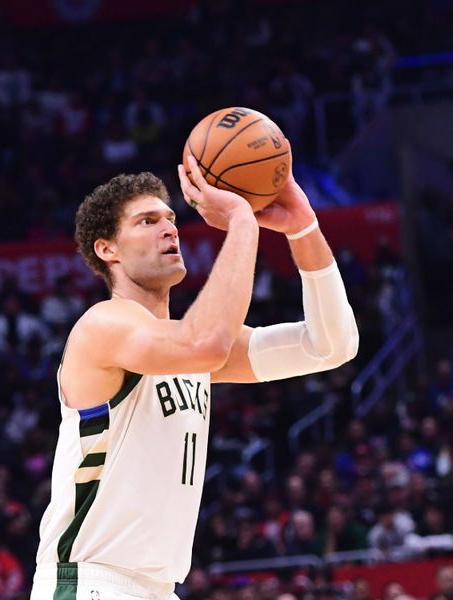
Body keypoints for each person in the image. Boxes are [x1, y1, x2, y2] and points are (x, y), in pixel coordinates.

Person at [32, 156, 358, 599]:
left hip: (157, 588)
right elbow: (206, 342)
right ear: (107, 250)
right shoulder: (103, 325)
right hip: (90, 581)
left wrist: (303, 228)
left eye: (170, 218)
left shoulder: (182, 344)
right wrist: (241, 220)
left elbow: (331, 346)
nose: (169, 229)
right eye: (147, 221)